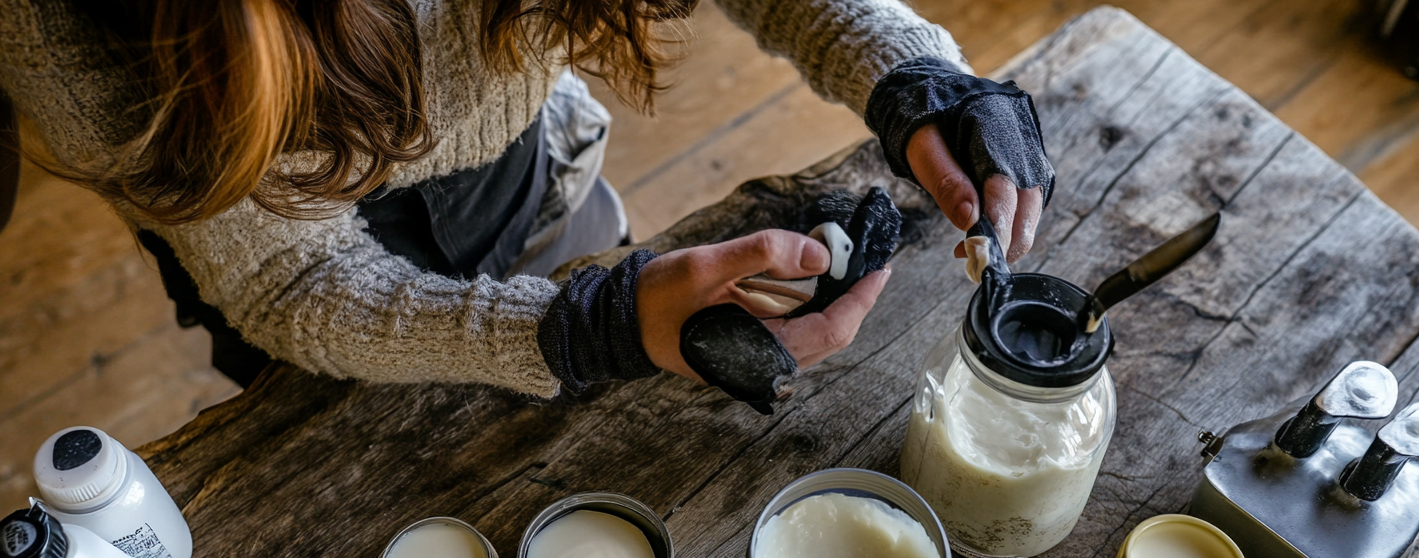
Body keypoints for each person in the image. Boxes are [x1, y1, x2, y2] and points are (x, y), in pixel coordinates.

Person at [0, 0, 1053, 401]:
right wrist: (586, 328)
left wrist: (906, 69)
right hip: (283, 275)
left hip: (536, 176)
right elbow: (288, 279)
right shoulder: (68, 28)